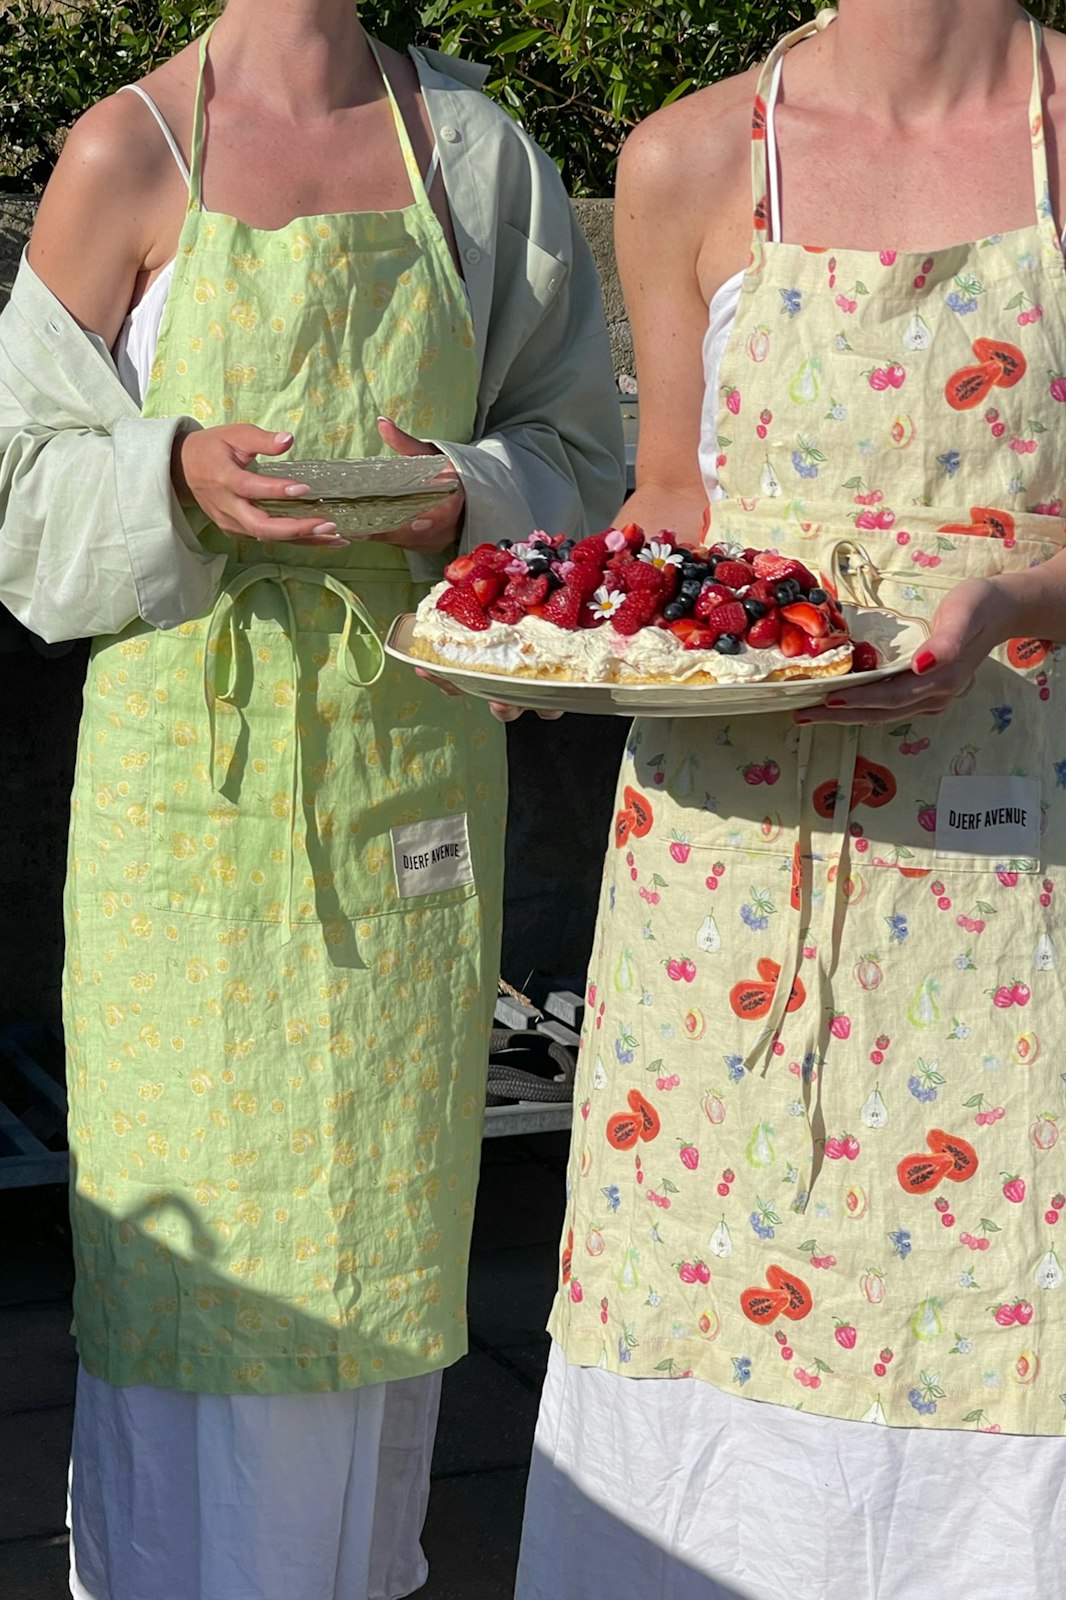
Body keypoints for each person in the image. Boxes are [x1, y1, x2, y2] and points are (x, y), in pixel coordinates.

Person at [516, 5, 1066, 1598]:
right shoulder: (688, 157)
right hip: (721, 891)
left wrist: (1008, 596)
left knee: (1025, 1318)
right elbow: (674, 501)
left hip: (1008, 877)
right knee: (688, 1322)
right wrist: (560, 620)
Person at [0, 1, 623, 1596]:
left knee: (377, 1228)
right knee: (195, 1251)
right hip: (182, 800)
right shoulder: (123, 154)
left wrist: (462, 496)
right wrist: (173, 472)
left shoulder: (477, 161)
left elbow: (581, 448)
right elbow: (16, 489)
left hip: (406, 770)